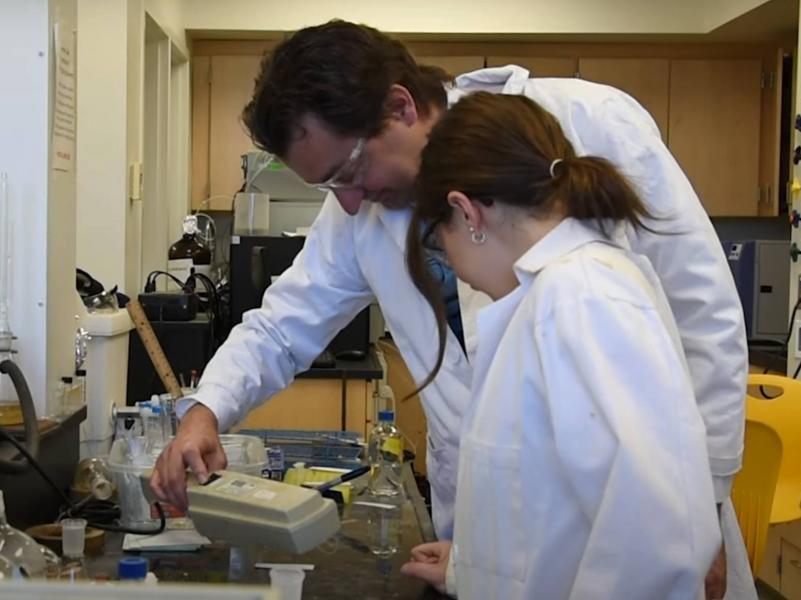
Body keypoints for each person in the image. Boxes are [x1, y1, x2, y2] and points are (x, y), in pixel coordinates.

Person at [149, 20, 752, 598]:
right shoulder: (364, 207)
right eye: (330, 188)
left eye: (350, 172)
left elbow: (704, 317)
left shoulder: (588, 143)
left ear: (400, 107)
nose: (353, 206)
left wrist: (709, 506)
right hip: (498, 534)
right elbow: (284, 322)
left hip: (629, 537)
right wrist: (206, 410)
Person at [398, 89, 720, 600]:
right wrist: (475, 564)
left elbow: (655, 538)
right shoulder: (549, 296)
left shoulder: (582, 297)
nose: (452, 263)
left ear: (466, 213)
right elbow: (558, 506)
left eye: (440, 239)